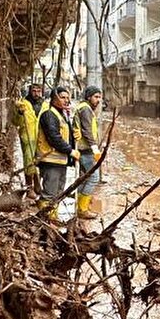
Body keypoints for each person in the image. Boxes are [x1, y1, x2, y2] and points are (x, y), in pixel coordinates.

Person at [36, 86, 79, 220]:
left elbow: (63, 134)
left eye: (68, 97)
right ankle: (45, 220)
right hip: (50, 160)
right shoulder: (49, 115)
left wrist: (73, 135)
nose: (66, 100)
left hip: (60, 160)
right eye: (62, 97)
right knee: (50, 192)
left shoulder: (61, 114)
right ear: (54, 98)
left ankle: (52, 217)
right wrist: (70, 151)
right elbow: (54, 137)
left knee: (58, 191)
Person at [73, 85, 104, 220]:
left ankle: (80, 204)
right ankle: (82, 209)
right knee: (93, 178)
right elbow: (87, 131)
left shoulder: (84, 108)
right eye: (96, 97)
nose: (98, 100)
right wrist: (95, 148)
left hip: (84, 149)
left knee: (84, 178)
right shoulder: (85, 109)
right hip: (85, 150)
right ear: (89, 97)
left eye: (99, 97)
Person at [13, 85, 41, 193]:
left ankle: (38, 184)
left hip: (40, 138)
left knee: (40, 162)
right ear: (30, 91)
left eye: (38, 91)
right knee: (29, 162)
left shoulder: (44, 104)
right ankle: (29, 188)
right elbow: (15, 122)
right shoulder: (22, 104)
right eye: (34, 91)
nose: (36, 93)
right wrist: (20, 113)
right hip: (27, 137)